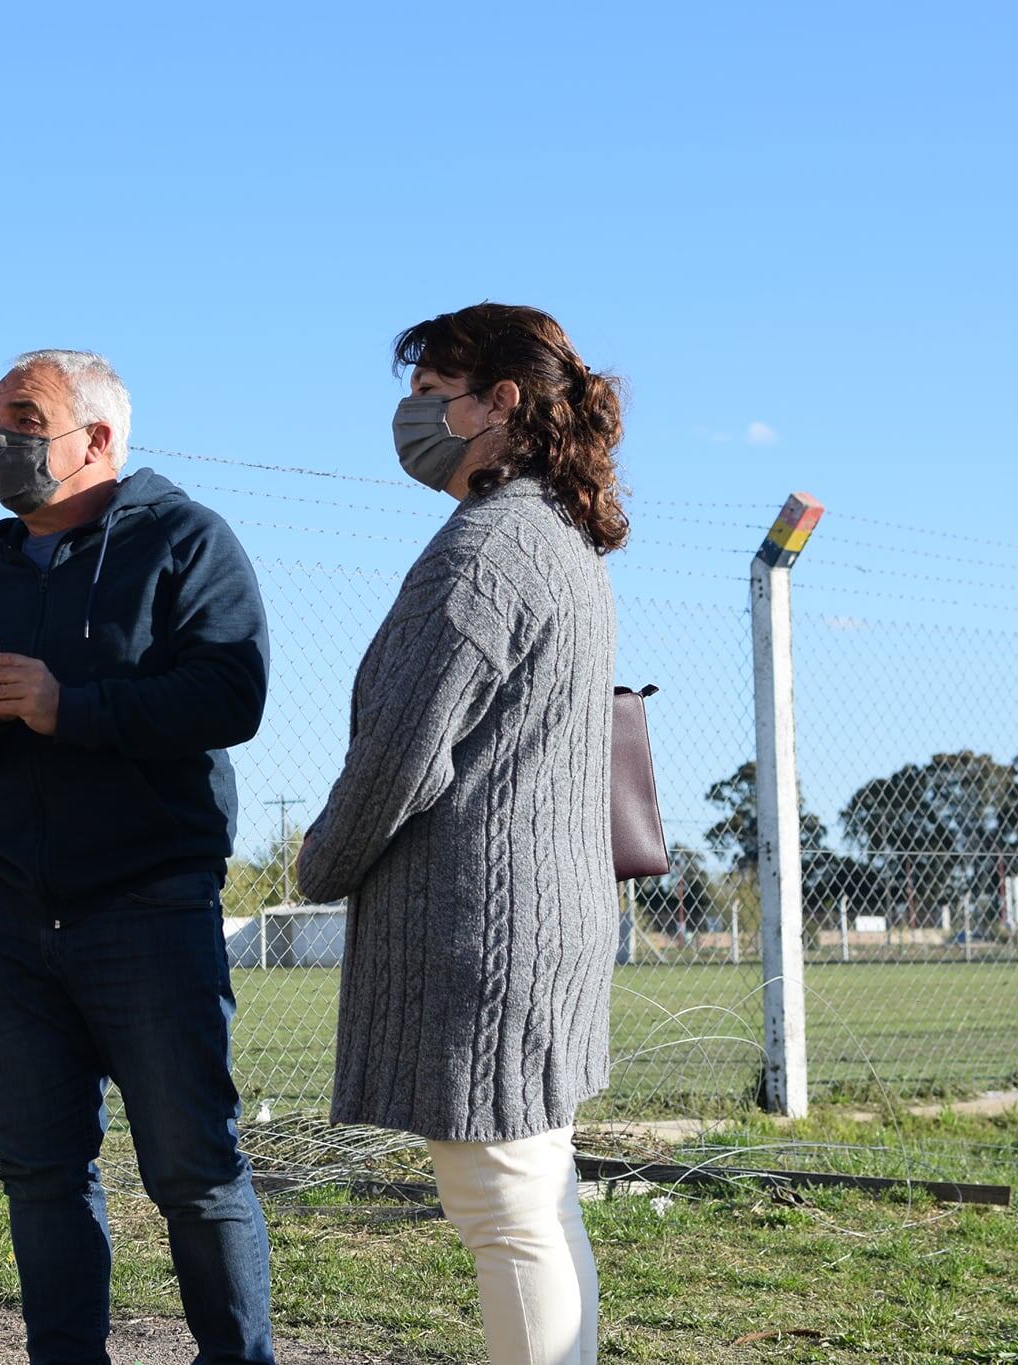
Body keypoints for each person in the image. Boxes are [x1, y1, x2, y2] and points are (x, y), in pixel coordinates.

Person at [0, 350, 276, 1365]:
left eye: (22, 420)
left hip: (149, 908)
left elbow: (230, 696)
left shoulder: (186, 543)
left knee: (193, 1167)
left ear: (96, 437)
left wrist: (71, 709)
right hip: (10, 921)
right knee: (40, 1174)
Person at [297, 304, 627, 1365]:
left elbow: (400, 751)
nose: (410, 416)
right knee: (531, 1203)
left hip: (487, 928)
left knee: (504, 1213)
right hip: (544, 918)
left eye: (431, 391)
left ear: (501, 404)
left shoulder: (483, 551)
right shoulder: (556, 536)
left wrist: (321, 863)